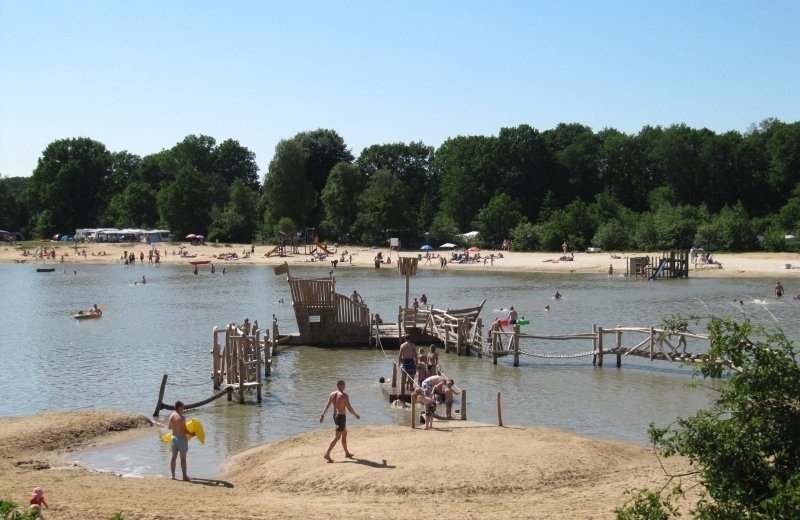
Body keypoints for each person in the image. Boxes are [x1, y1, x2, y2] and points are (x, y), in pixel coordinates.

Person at [320, 379, 360, 462]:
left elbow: (327, 406)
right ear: (340, 385)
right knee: (337, 436)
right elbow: (349, 408)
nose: (345, 386)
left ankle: (346, 453)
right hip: (340, 417)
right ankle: (327, 454)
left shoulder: (332, 394)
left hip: (336, 416)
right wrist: (356, 415)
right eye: (344, 385)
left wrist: (322, 415)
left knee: (344, 433)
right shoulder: (344, 395)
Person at [168, 400, 190, 481]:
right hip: (181, 439)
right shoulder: (182, 418)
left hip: (173, 438)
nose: (184, 408)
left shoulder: (171, 416)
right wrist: (193, 433)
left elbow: (169, 427)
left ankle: (173, 475)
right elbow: (184, 431)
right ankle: (184, 476)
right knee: (183, 458)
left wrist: (176, 427)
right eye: (182, 406)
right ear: (179, 407)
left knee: (173, 457)